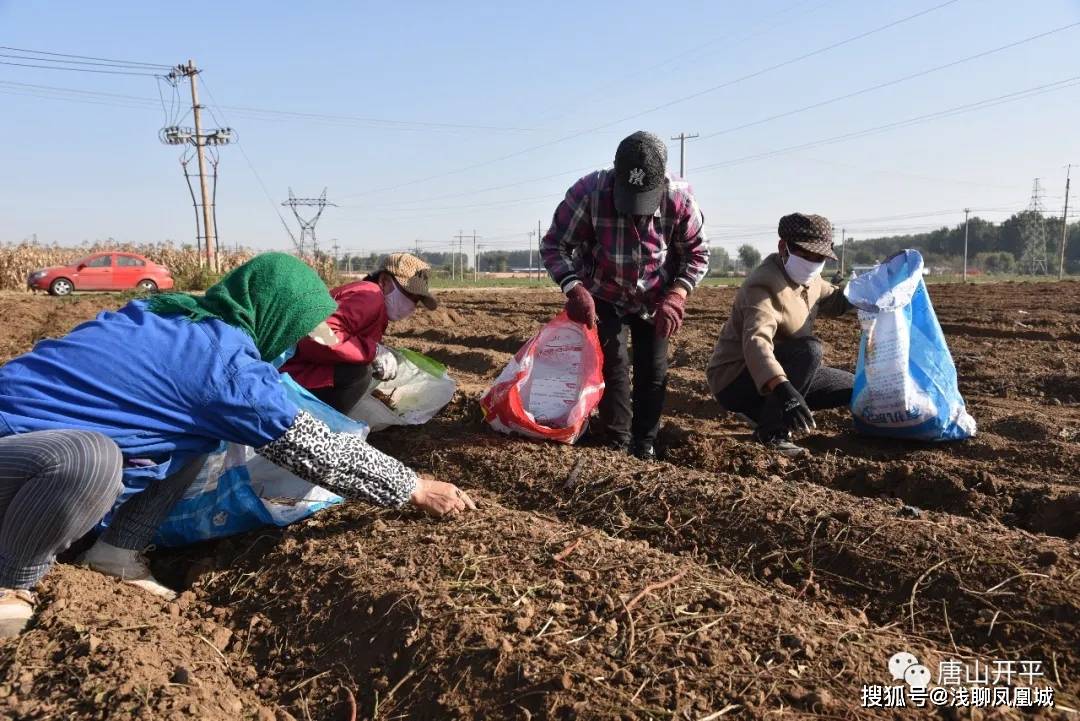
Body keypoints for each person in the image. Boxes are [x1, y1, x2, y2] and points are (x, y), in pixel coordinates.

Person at [0, 253, 474, 638]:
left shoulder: (174, 312)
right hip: (18, 452)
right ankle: (11, 582)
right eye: (294, 330)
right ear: (276, 316)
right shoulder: (222, 370)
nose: (292, 343)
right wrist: (412, 486)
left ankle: (116, 552)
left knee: (194, 436)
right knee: (89, 459)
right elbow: (318, 450)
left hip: (27, 457)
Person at [541, 131, 709, 460]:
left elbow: (697, 255)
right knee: (611, 362)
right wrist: (573, 288)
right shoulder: (589, 192)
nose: (635, 214)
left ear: (660, 183)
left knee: (653, 368)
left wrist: (677, 295)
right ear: (616, 177)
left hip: (656, 294)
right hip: (603, 289)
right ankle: (617, 441)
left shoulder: (680, 198)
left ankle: (644, 443)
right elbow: (554, 245)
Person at [706, 213, 854, 457]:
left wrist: (873, 287)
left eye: (819, 258)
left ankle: (761, 409)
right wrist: (785, 392)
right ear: (783, 247)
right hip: (736, 377)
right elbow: (756, 343)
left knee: (853, 387)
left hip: (785, 367)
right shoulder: (763, 285)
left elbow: (836, 300)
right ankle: (772, 432)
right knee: (810, 350)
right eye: (805, 255)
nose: (812, 263)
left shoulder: (812, 279)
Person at [282, 253, 437, 414]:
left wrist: (371, 351)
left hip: (298, 367)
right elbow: (319, 332)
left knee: (362, 368)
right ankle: (323, 425)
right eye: (408, 293)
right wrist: (372, 352)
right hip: (290, 371)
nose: (411, 304)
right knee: (360, 372)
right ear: (384, 281)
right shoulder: (370, 296)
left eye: (416, 299)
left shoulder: (370, 298)